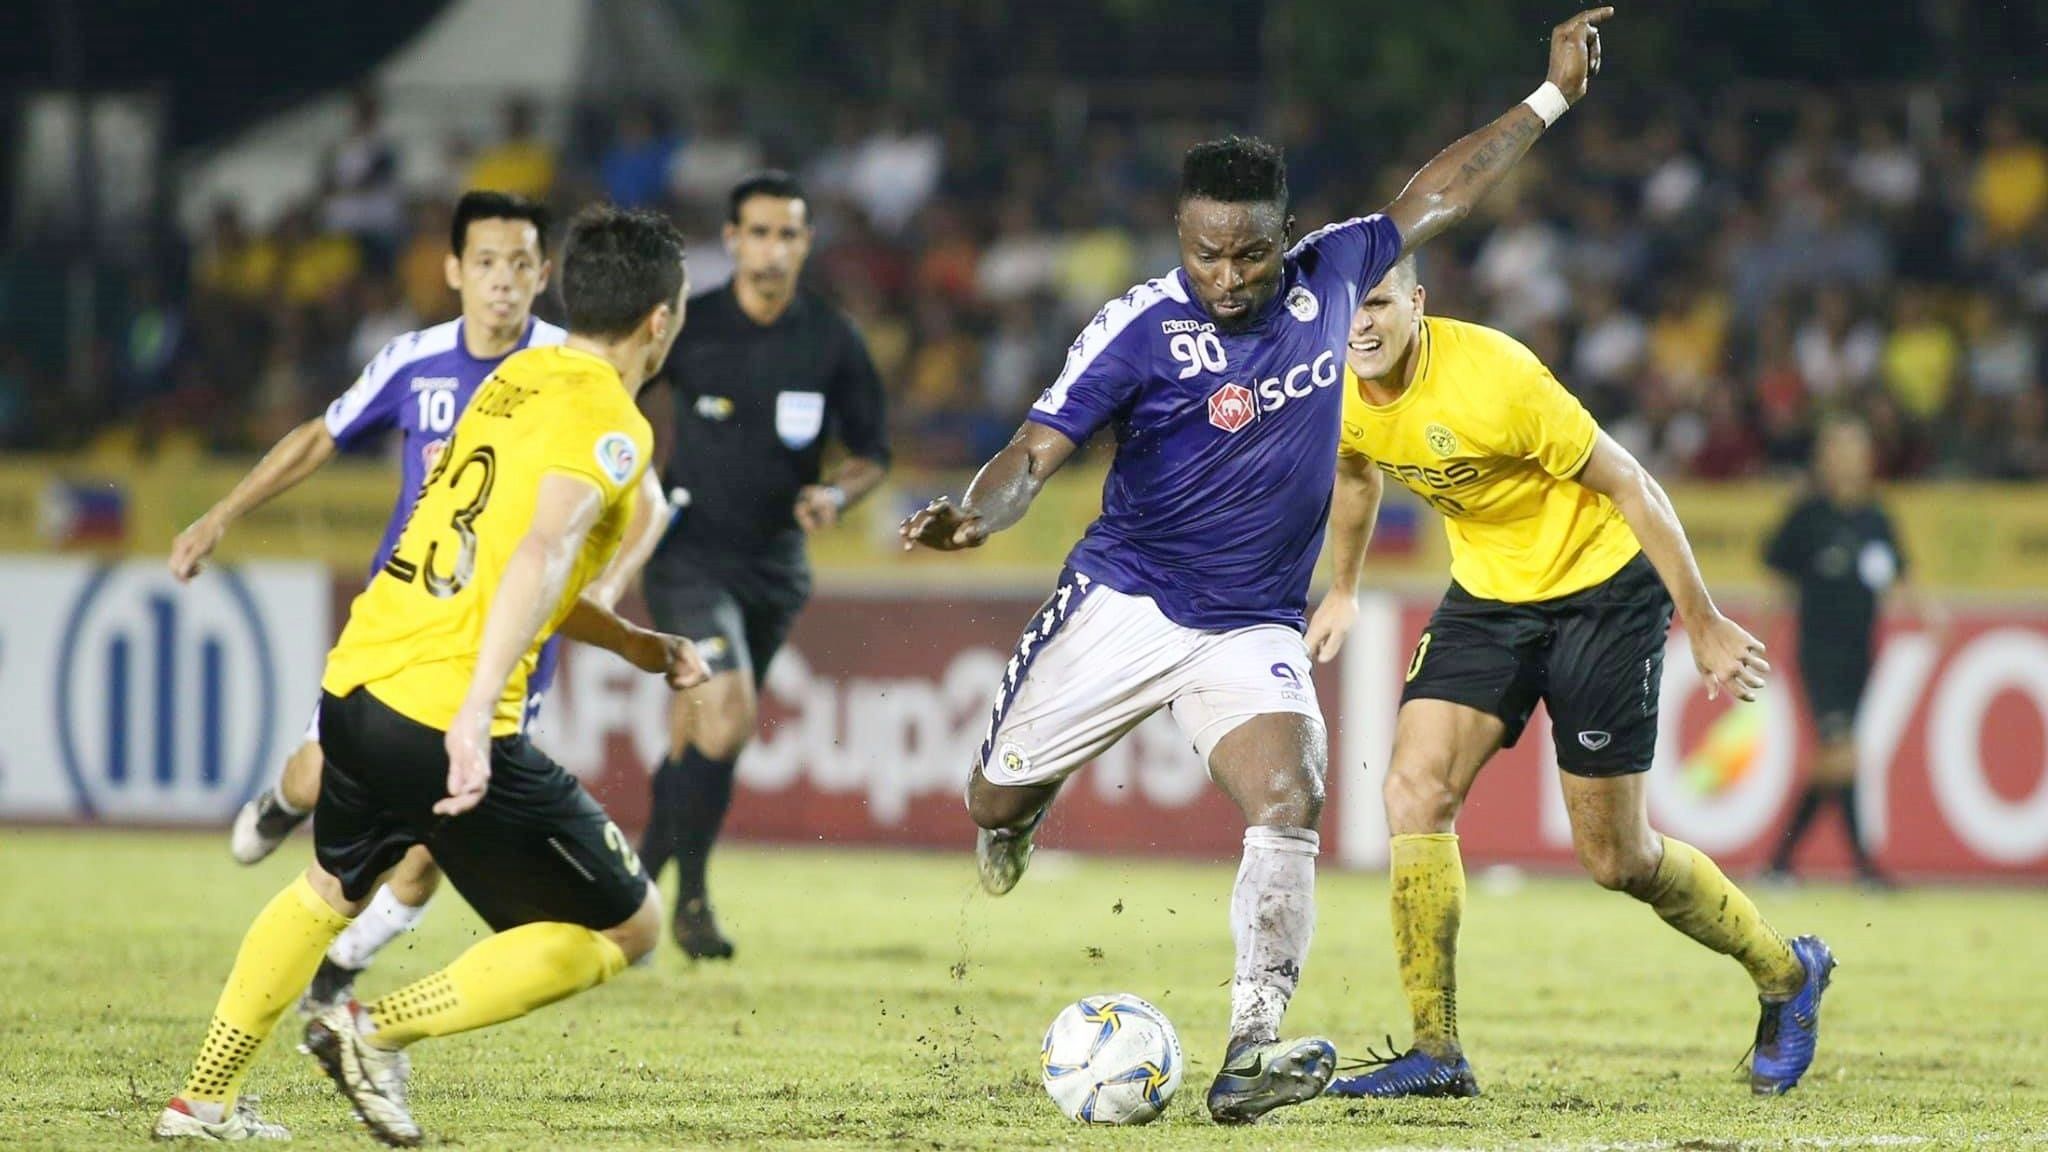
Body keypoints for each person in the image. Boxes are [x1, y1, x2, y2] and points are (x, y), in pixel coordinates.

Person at [901, 7, 1615, 1125]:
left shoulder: (1335, 271)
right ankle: (1015, 813)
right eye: (1204, 251)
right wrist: (973, 520)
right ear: (1176, 237)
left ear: (1285, 234)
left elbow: (1444, 188)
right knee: (988, 791)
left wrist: (1549, 98)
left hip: (1249, 627)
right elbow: (1033, 452)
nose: (1227, 275)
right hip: (1123, 602)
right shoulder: (1136, 327)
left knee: (1292, 794)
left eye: (1248, 251)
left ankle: (1249, 1047)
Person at [154, 206, 707, 1144]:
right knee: (631, 928)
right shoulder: (613, 423)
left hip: (361, 680)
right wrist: (475, 714)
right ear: (661, 319)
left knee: (329, 891)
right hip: (445, 707)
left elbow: (512, 565)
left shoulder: (515, 377)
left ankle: (199, 1100)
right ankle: (373, 1031)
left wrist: (638, 646)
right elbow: (540, 548)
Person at [1312, 256, 1832, 1102]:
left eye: (1375, 304)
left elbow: (1632, 482)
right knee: (1414, 790)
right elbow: (1354, 471)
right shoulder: (1331, 387)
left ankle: (1785, 971)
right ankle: (1436, 1049)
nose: (1359, 325)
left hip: (1602, 590)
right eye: (1343, 307)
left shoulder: (1496, 375)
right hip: (1488, 597)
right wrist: (1343, 588)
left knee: (1617, 858)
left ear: (1417, 303)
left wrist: (1699, 620)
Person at [639, 170, 889, 959]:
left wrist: (837, 498)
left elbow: (873, 454)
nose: (773, 249)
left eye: (788, 234)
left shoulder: (832, 339)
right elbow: (619, 392)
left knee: (701, 735)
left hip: (776, 569)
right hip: (688, 555)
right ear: (732, 240)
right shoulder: (690, 326)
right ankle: (671, 896)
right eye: (760, 232)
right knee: (729, 710)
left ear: (805, 243)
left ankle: (659, 897)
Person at [1763, 415, 1938, 886]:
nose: (1845, 459)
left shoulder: (1876, 516)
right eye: (1837, 449)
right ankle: (1841, 864)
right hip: (1817, 653)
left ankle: (1787, 866)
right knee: (1841, 754)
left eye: (1854, 449)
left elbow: (1899, 570)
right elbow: (1775, 572)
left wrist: (1926, 612)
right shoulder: (1806, 515)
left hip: (1862, 653)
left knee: (1839, 755)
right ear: (1823, 458)